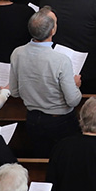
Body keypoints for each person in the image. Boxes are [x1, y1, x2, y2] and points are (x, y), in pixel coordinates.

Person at [9, 9, 84, 156]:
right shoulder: (61, 60)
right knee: (64, 159)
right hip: (60, 121)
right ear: (52, 31)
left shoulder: (17, 53)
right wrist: (75, 85)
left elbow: (14, 91)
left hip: (33, 119)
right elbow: (73, 100)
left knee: (41, 158)